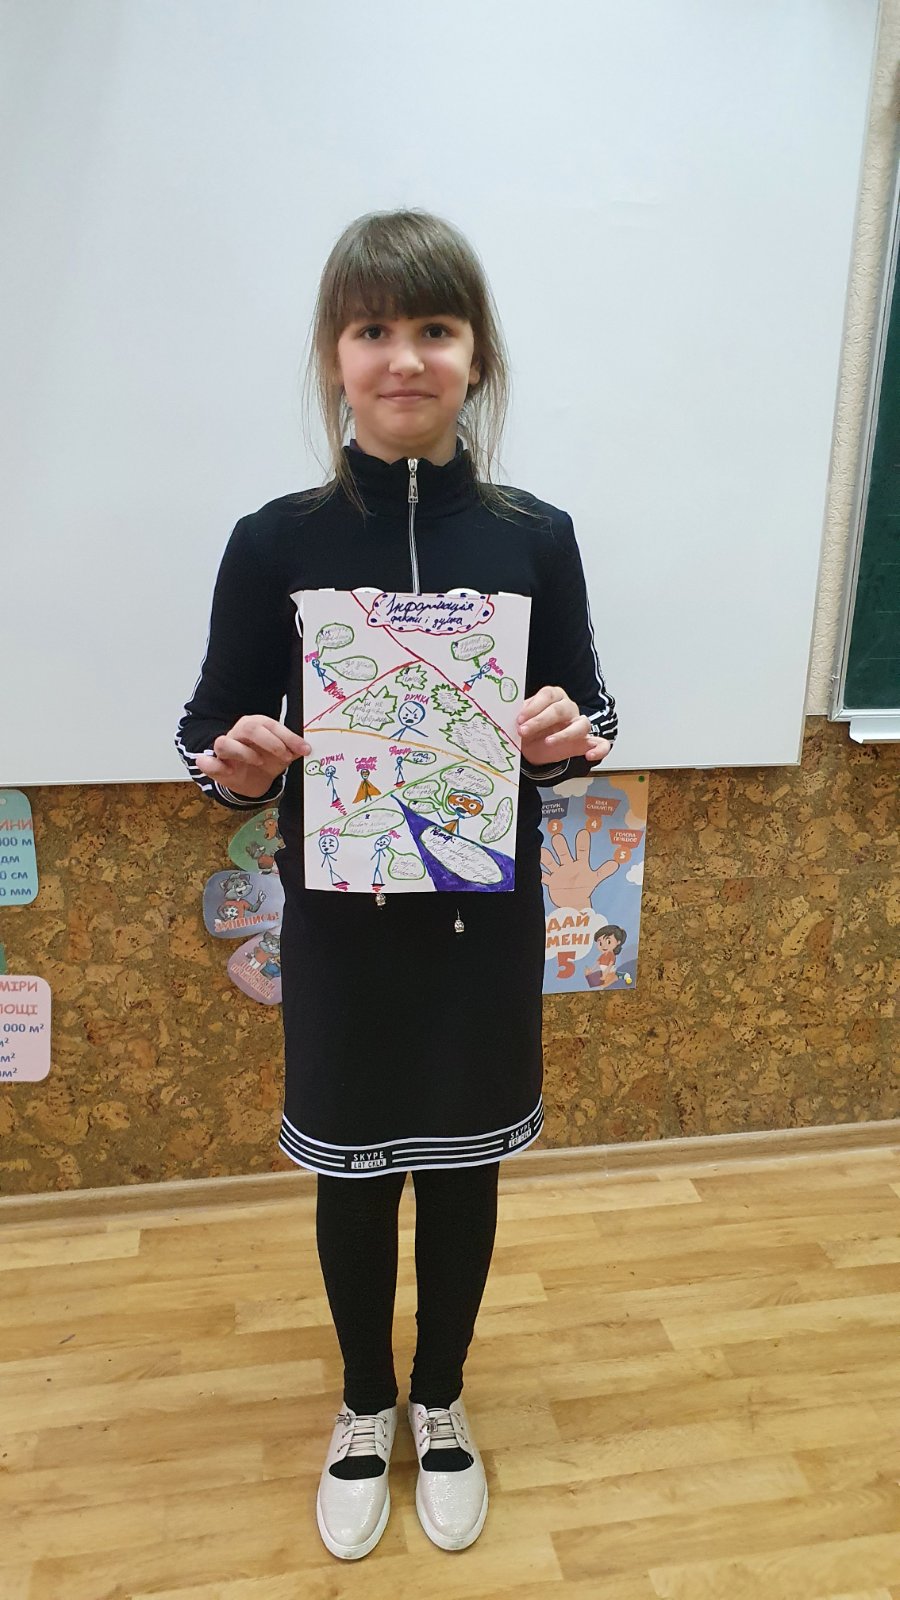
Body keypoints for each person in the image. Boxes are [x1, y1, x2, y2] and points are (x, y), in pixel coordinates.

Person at [175, 208, 618, 1562]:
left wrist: (565, 737)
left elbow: (588, 712)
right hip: (340, 921)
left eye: (434, 328)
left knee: (465, 1162)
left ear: (477, 356)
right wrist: (239, 763)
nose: (404, 357)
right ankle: (366, 1403)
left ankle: (443, 1397)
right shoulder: (275, 542)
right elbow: (208, 737)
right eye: (373, 330)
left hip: (481, 921)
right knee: (358, 1169)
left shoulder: (536, 536)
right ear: (335, 357)